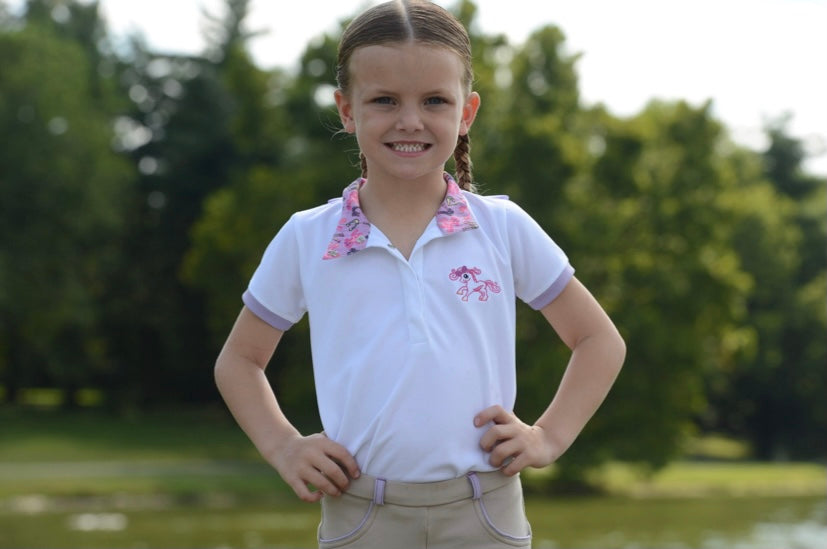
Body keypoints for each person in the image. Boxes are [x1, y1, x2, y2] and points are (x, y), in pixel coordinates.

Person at [214, 1, 625, 547]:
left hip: (486, 512)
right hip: (360, 514)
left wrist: (547, 436)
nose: (410, 120)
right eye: (384, 100)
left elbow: (598, 340)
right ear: (346, 110)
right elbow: (239, 361)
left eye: (434, 100)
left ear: (467, 112)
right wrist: (285, 446)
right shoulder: (307, 238)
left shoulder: (502, 227)